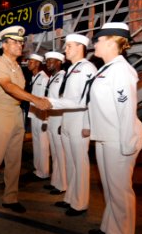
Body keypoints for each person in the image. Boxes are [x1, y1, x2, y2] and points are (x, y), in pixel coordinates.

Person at [0, 25, 52, 213]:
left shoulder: (17, 66)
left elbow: (17, 91)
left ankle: (10, 198)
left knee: (14, 159)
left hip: (16, 112)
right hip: (0, 113)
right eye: (15, 42)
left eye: (21, 42)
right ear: (5, 45)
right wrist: (35, 100)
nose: (20, 45)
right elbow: (8, 87)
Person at [86, 22, 142, 234]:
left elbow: (126, 109)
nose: (95, 44)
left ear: (111, 42)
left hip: (119, 137)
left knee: (120, 190)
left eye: (98, 40)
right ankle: (109, 229)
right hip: (105, 136)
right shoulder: (107, 68)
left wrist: (127, 143)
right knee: (110, 189)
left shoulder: (121, 71)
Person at [53, 34, 97, 216]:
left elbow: (88, 100)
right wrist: (63, 122)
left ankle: (80, 203)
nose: (65, 49)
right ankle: (70, 197)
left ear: (80, 47)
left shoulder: (87, 68)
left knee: (80, 163)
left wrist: (88, 124)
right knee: (71, 162)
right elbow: (67, 98)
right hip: (69, 120)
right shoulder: (72, 69)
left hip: (80, 121)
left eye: (69, 46)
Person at [43, 51, 67, 195]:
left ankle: (63, 184)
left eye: (51, 60)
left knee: (60, 153)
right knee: (55, 153)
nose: (48, 63)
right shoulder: (53, 77)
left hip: (59, 118)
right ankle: (56, 181)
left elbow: (65, 100)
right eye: (47, 61)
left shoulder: (64, 77)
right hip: (52, 118)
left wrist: (63, 122)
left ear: (59, 62)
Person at [26, 53, 51, 181]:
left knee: (43, 144)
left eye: (31, 62)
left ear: (37, 63)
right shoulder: (34, 77)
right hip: (34, 115)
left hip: (42, 117)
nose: (28, 64)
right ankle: (38, 169)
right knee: (36, 143)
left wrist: (46, 119)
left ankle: (44, 172)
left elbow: (46, 100)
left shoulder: (44, 79)